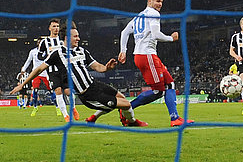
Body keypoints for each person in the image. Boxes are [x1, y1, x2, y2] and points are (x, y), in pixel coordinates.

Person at [10, 22, 147, 127]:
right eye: (75, 36)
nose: (78, 38)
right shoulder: (57, 54)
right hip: (88, 94)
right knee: (126, 104)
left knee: (121, 98)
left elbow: (98, 67)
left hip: (95, 85)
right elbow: (38, 69)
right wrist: (22, 84)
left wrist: (107, 67)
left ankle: (94, 118)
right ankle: (132, 121)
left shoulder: (82, 51)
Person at [118, 0, 193, 127]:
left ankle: (175, 118)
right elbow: (156, 34)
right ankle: (125, 108)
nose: (160, 4)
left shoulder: (138, 16)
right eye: (157, 1)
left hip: (145, 55)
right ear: (149, 1)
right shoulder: (153, 14)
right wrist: (172, 38)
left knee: (170, 84)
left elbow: (124, 32)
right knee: (158, 91)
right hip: (147, 55)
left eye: (161, 2)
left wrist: (123, 50)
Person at [38, 18, 80, 121]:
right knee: (58, 91)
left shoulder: (62, 41)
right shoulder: (44, 42)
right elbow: (39, 56)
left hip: (63, 69)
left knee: (68, 91)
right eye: (54, 26)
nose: (56, 28)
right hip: (52, 71)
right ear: (49, 28)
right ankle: (65, 115)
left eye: (57, 26)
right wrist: (48, 57)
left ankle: (73, 108)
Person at [22, 39, 60, 117]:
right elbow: (28, 61)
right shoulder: (33, 52)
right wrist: (23, 69)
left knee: (51, 91)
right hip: (36, 73)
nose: (40, 44)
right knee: (35, 90)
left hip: (45, 73)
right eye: (39, 43)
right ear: (37, 43)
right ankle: (35, 107)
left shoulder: (48, 51)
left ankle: (57, 107)